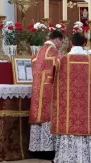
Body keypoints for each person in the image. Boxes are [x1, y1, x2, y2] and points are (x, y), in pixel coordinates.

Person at [51, 32, 91, 163]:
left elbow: (52, 80)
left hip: (69, 109)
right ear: (85, 43)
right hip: (87, 110)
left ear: (70, 43)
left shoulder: (61, 61)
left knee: (70, 129)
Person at [29, 30, 64, 159]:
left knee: (39, 117)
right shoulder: (53, 52)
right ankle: (48, 151)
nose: (61, 44)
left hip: (38, 89)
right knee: (48, 116)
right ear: (57, 39)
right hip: (49, 89)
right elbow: (62, 66)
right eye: (61, 41)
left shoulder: (38, 52)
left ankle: (37, 149)